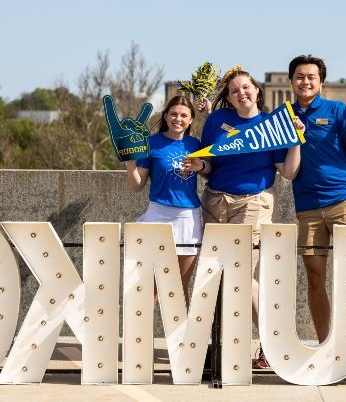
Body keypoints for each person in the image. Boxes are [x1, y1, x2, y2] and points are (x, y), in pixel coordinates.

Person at [185, 66, 304, 368]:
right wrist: (199, 167)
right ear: (229, 97)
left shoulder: (272, 125)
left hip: (253, 204)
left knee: (238, 274)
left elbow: (288, 172)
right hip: (215, 201)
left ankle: (273, 341)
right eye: (235, 90)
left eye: (246, 87)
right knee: (215, 275)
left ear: (257, 90)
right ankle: (221, 345)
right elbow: (209, 165)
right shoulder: (217, 120)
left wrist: (296, 140)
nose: (242, 93)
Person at [287, 54, 346, 344]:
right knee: (314, 279)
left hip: (342, 201)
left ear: (320, 82)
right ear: (291, 81)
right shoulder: (284, 116)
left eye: (311, 77)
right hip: (308, 207)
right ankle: (327, 344)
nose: (305, 81)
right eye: (300, 76)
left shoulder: (336, 110)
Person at [126, 95, 205, 305]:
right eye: (174, 114)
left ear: (190, 120)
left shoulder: (195, 144)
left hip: (188, 218)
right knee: (151, 287)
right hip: (158, 215)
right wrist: (130, 163)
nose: (178, 118)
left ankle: (183, 338)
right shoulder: (152, 143)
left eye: (183, 115)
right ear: (166, 116)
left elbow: (209, 170)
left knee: (179, 288)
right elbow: (137, 185)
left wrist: (201, 166)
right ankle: (140, 337)